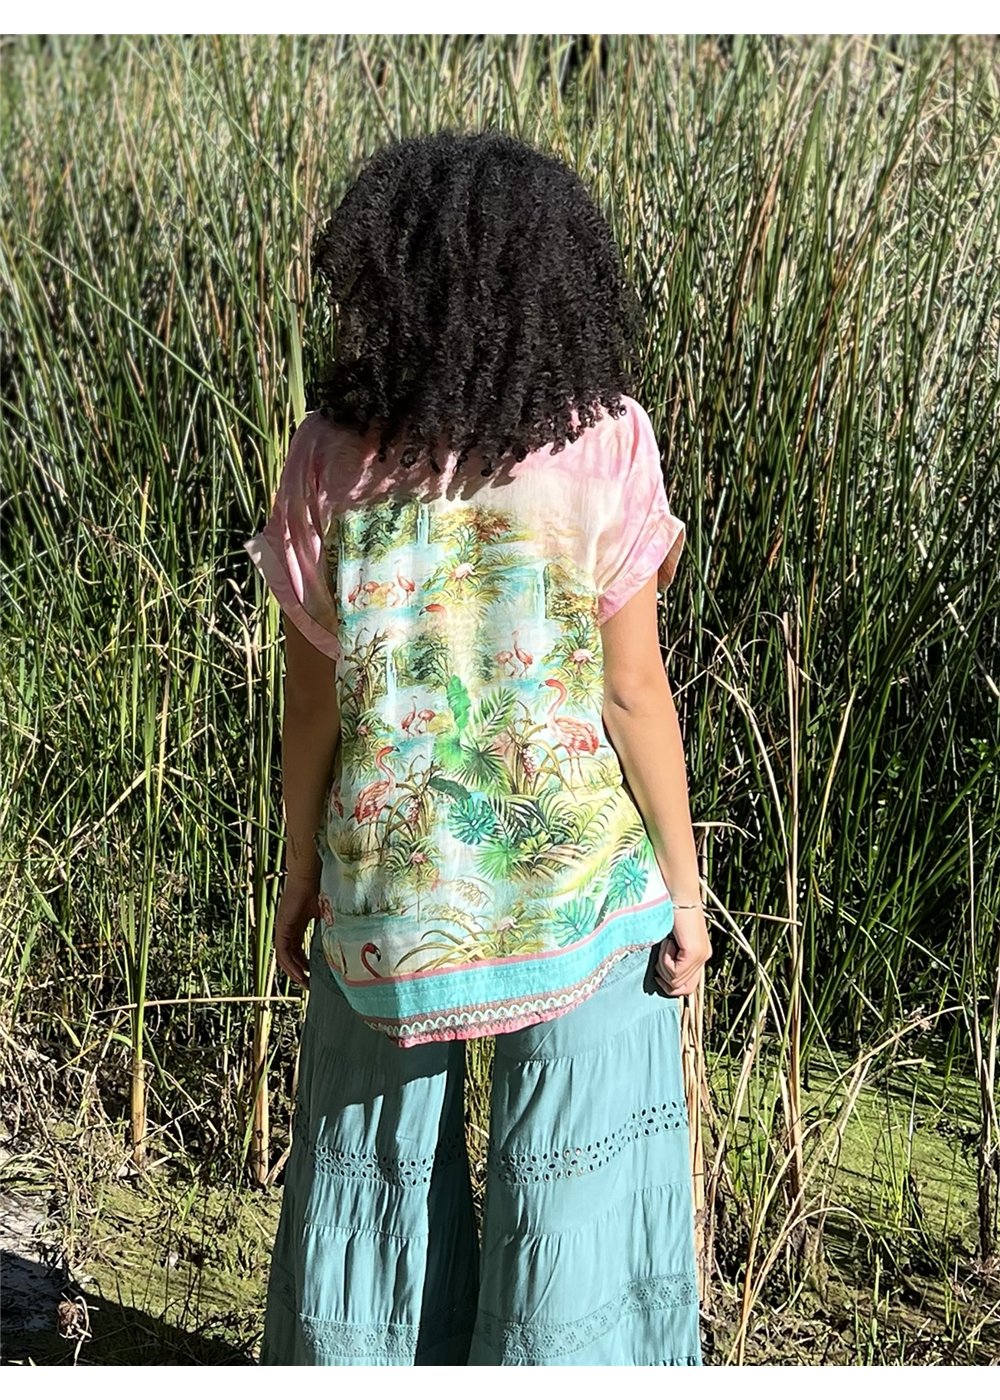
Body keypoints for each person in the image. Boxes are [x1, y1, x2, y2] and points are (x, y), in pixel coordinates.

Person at [243, 128, 712, 1366]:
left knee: (368, 1184)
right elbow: (633, 694)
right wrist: (683, 893)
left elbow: (313, 709)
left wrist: (301, 875)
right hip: (570, 891)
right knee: (573, 1197)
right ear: (559, 280)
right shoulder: (606, 439)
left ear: (385, 282)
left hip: (391, 899)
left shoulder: (328, 456)